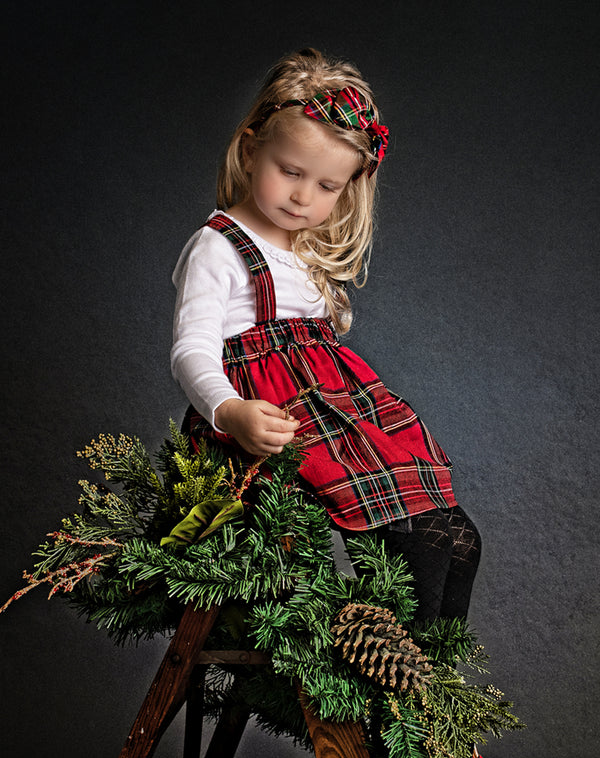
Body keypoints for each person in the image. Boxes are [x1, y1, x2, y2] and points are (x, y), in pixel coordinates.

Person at [170, 48, 481, 622]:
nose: (302, 197)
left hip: (337, 413)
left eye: (327, 186)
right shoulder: (219, 245)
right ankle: (390, 680)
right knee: (418, 543)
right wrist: (229, 410)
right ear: (249, 146)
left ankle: (426, 683)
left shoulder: (303, 253)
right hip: (278, 423)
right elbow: (192, 346)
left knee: (456, 538)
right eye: (289, 171)